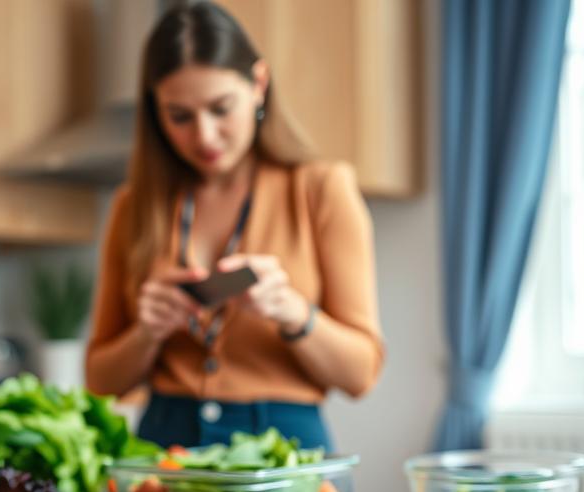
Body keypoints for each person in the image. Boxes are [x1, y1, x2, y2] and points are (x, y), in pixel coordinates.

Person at [85, 1, 383, 451]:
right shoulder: (133, 207)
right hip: (164, 451)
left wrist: (292, 311)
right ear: (155, 112)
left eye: (221, 108)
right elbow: (100, 380)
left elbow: (361, 374)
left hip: (286, 455)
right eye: (179, 116)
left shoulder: (321, 189)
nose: (204, 136)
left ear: (258, 85)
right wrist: (147, 332)